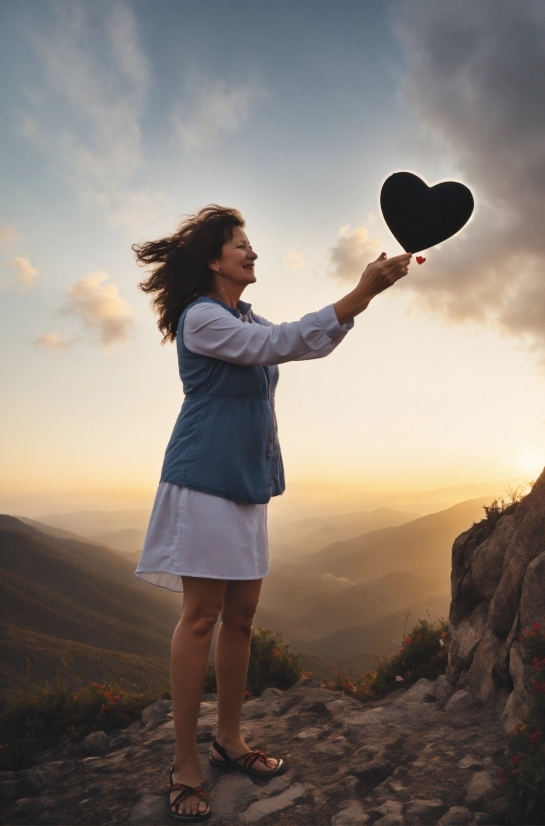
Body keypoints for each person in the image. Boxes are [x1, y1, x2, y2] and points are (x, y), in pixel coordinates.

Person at [133, 205, 411, 821]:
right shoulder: (202, 318)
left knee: (243, 615)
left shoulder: (244, 315)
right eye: (240, 245)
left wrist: (367, 298)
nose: (251, 253)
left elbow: (304, 341)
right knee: (201, 617)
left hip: (249, 480)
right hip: (205, 479)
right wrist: (357, 290)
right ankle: (184, 763)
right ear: (213, 259)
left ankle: (228, 741)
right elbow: (276, 345)